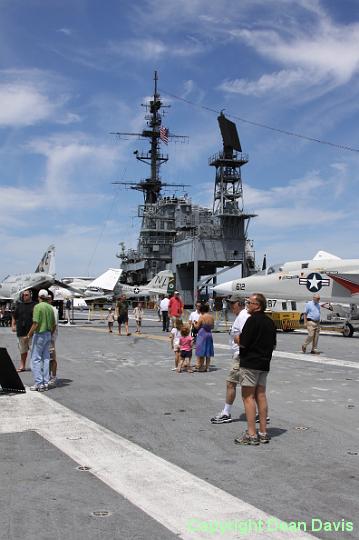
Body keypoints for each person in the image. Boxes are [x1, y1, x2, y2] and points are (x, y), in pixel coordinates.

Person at [234, 293, 276, 446]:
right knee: (261, 396)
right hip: (264, 363)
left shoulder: (252, 320)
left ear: (257, 305)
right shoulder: (270, 322)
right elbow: (273, 345)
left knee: (248, 397)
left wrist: (236, 338)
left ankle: (251, 434)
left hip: (250, 363)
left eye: (249, 303)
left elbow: (243, 342)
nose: (247, 305)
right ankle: (263, 432)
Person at [210, 298, 249, 423]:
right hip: (240, 354)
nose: (231, 306)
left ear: (240, 304)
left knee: (231, 383)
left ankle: (226, 413)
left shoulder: (243, 316)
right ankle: (256, 413)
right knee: (249, 386)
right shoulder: (241, 316)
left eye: (233, 303)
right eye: (230, 303)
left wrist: (241, 350)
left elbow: (246, 336)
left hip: (240, 355)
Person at [27, 289, 56, 391]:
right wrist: (50, 334)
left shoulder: (37, 307)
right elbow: (53, 324)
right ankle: (45, 382)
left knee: (36, 359)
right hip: (48, 334)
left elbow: (35, 323)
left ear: (38, 297)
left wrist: (28, 335)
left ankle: (39, 383)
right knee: (46, 358)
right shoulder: (50, 307)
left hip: (39, 334)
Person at [11, 289, 36, 372]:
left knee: (34, 351)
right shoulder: (19, 306)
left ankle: (35, 367)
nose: (25, 296)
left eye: (26, 295)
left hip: (32, 333)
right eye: (24, 295)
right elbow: (14, 316)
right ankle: (22, 366)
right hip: (21, 332)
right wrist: (13, 325)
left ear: (30, 295)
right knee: (23, 351)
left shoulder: (35, 305)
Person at [194, 304, 214, 372]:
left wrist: (194, 323)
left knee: (201, 350)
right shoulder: (211, 317)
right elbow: (212, 327)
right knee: (208, 350)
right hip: (209, 334)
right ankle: (207, 367)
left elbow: (197, 327)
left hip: (202, 334)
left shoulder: (201, 317)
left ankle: (200, 366)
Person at [47, 291, 59, 386]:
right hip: (45, 337)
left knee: (52, 358)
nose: (48, 300)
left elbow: (54, 325)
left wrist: (49, 336)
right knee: (46, 358)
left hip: (50, 338)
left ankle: (54, 376)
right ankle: (48, 375)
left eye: (49, 299)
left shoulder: (53, 310)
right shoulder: (45, 308)